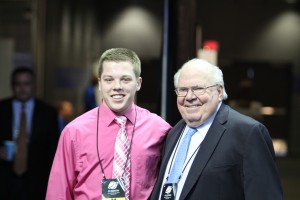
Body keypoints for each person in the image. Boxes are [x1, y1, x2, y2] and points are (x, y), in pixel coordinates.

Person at [46, 48, 172, 200]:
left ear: (138, 83)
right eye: (109, 79)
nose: (116, 86)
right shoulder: (74, 132)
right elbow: (58, 193)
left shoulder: (159, 129)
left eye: (125, 79)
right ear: (99, 83)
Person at [150, 59, 283, 200]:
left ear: (219, 91)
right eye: (183, 90)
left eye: (198, 88)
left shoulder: (248, 134)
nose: (189, 97)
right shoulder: (173, 133)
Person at [0, 66, 60, 199]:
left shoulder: (48, 112)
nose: (22, 88)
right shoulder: (2, 108)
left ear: (34, 85)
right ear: (12, 85)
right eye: (18, 84)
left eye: (26, 84)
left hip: (37, 179)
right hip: (5, 178)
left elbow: (53, 149)